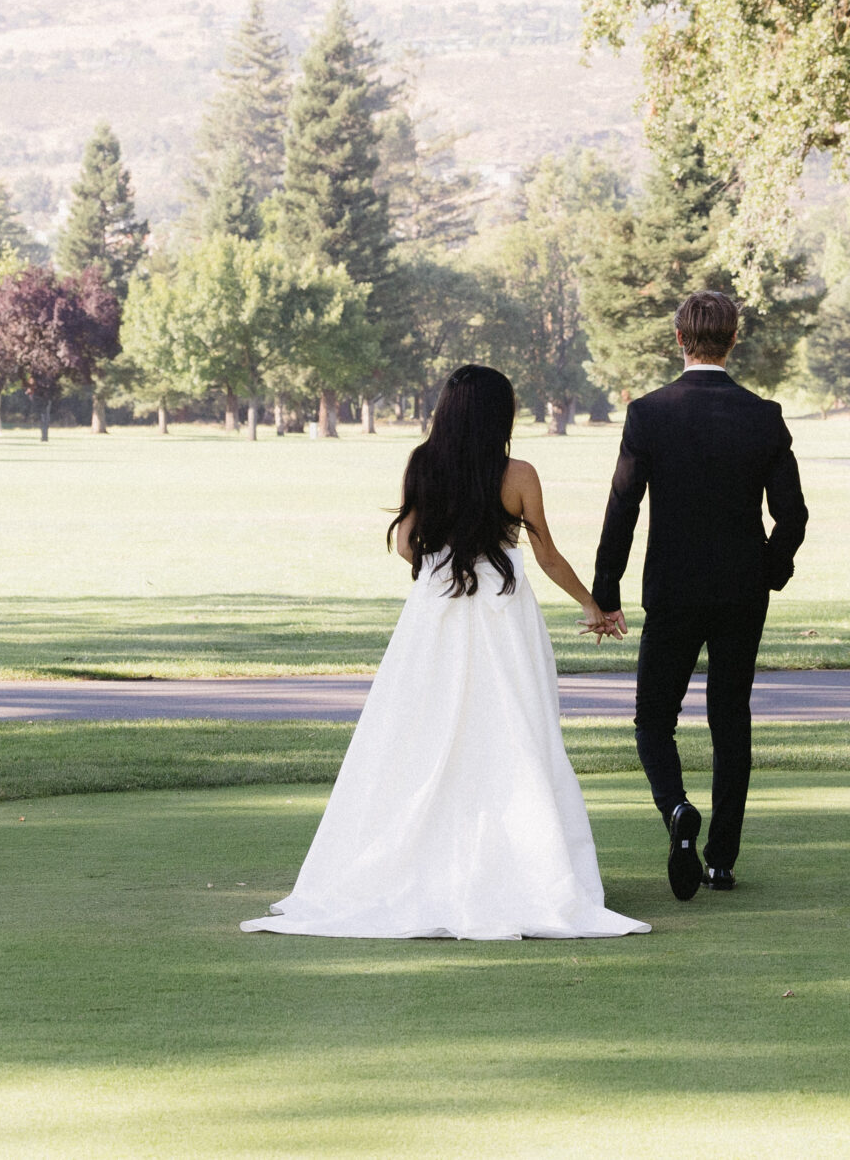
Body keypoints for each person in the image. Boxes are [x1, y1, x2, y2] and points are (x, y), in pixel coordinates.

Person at [244, 365, 646, 940]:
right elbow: (549, 555)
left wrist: (439, 570)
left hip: (435, 613)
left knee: (420, 731)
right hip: (503, 617)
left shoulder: (423, 464)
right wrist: (593, 606)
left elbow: (407, 541)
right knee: (512, 731)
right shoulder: (519, 474)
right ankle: (528, 870)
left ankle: (415, 864)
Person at [590, 290, 807, 902]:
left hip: (674, 590)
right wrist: (769, 569)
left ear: (679, 340)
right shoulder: (763, 415)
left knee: (653, 719)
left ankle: (676, 811)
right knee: (728, 719)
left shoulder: (649, 413)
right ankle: (720, 861)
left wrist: (605, 593)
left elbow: (622, 510)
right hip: (741, 592)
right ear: (733, 340)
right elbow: (792, 515)